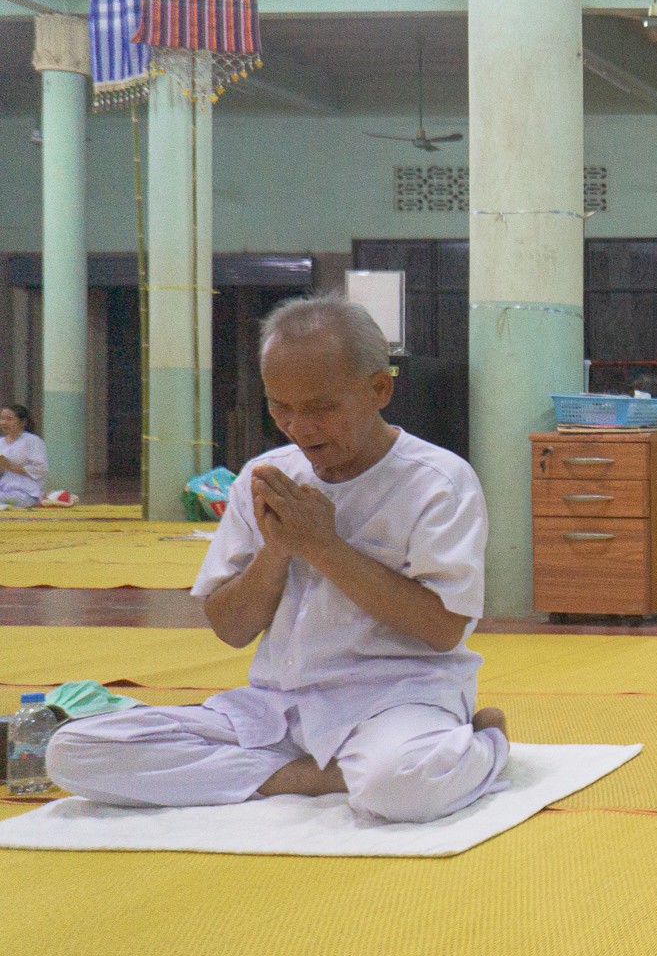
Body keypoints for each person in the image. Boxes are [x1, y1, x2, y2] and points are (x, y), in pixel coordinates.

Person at [47, 296, 510, 823]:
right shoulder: (266, 477)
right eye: (280, 406)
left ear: (379, 389)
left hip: (396, 700)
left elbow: (445, 629)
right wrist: (278, 550)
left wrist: (324, 547)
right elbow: (231, 628)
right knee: (73, 750)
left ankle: (485, 740)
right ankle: (314, 778)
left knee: (402, 787)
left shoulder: (438, 481)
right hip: (278, 706)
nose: (298, 427)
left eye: (321, 408)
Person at [0, 403, 47, 508]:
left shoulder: (32, 441)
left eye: (9, 419)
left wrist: (10, 466)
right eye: (2, 419)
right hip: (4, 488)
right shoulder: (1, 442)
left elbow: (40, 469)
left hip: (27, 493)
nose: (4, 423)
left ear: (22, 422)